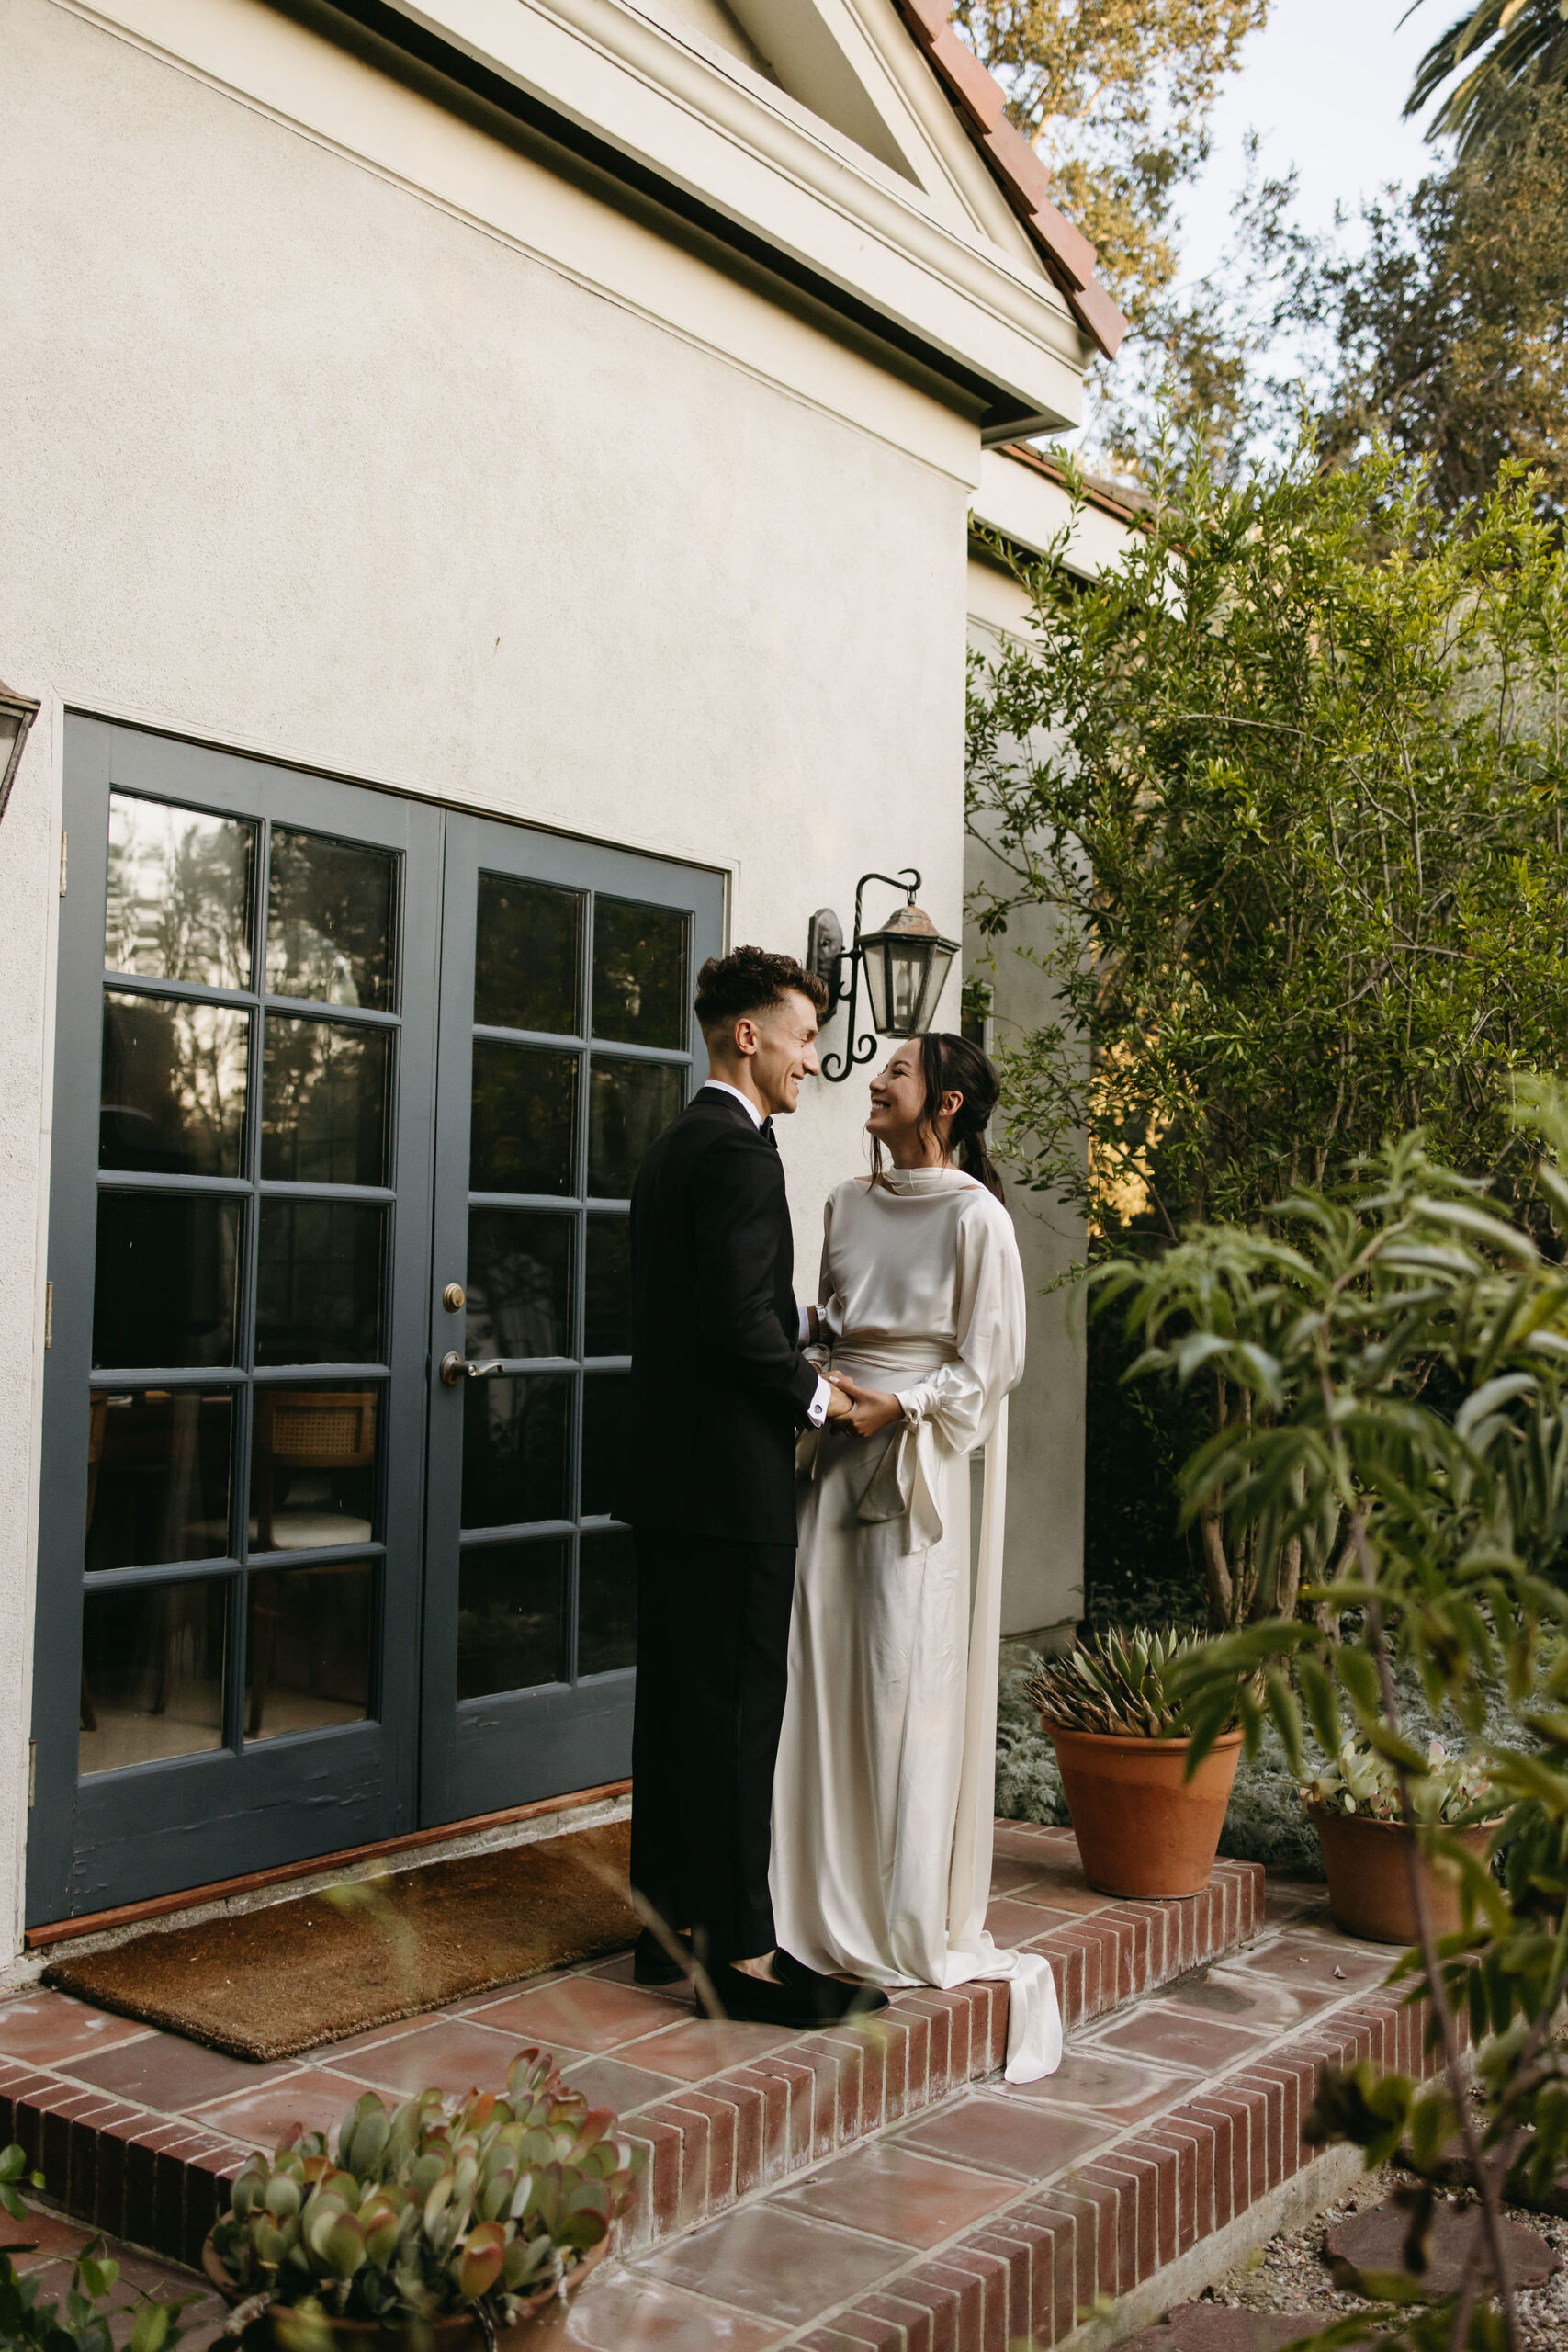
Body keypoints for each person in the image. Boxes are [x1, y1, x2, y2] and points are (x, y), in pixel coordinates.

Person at [769, 1033, 1064, 2082]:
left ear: (940, 1104)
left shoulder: (978, 1218)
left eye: (893, 1071)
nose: (871, 1081)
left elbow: (991, 1367)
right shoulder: (845, 1203)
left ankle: (896, 1901)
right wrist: (822, 1383)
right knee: (818, 1675)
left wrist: (900, 1406)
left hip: (912, 1469)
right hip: (835, 1456)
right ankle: (807, 1892)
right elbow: (831, 1325)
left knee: (896, 1681)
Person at [625, 944, 887, 2030]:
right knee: (736, 1718)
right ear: (749, 1035)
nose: (811, 1057)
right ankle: (741, 1956)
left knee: (675, 1712)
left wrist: (806, 1331)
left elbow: (717, 1307)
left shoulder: (674, 1144)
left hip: (668, 1478)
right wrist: (828, 1400)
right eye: (800, 1034)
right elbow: (736, 1329)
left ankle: (664, 1934)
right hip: (730, 1487)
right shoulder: (740, 1153)